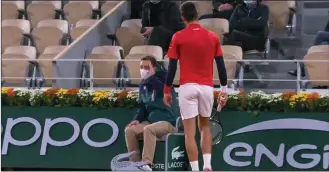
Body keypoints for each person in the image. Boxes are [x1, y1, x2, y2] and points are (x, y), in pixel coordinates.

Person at [163, 2, 228, 171]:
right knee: (205, 127)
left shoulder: (178, 36)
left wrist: (166, 90)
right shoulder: (212, 36)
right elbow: (221, 66)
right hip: (206, 88)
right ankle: (207, 165)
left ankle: (195, 169)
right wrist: (224, 90)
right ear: (197, 15)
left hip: (187, 88)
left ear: (182, 17)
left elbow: (171, 67)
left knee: (189, 133)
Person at [124, 56, 180, 171]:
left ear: (154, 68)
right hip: (150, 120)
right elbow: (142, 106)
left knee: (148, 129)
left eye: (146, 67)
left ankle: (147, 163)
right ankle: (135, 165)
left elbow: (162, 89)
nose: (143, 70)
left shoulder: (164, 82)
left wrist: (152, 77)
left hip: (168, 122)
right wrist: (137, 120)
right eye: (141, 67)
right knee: (129, 130)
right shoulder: (143, 85)